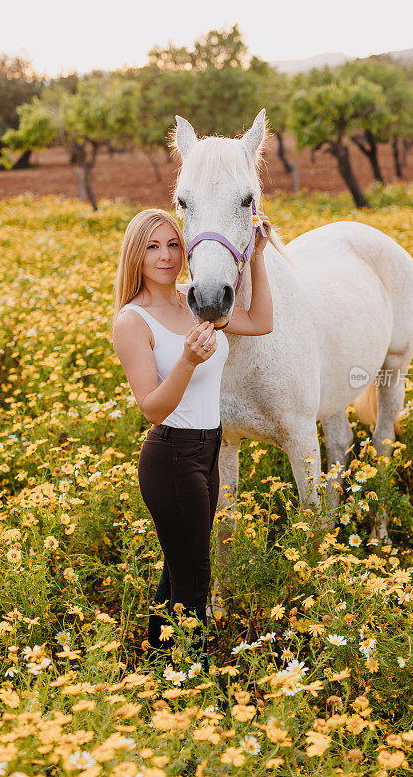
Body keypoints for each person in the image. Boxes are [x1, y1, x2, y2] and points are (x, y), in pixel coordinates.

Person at [111, 207, 273, 671]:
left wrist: (256, 257)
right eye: (152, 246)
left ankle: (155, 668)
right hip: (171, 456)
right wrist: (185, 361)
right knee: (195, 581)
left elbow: (261, 321)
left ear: (187, 251)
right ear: (135, 256)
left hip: (208, 452)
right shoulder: (132, 321)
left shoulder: (196, 303)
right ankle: (190, 683)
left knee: (178, 571)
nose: (165, 256)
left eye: (173, 244)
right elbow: (152, 408)